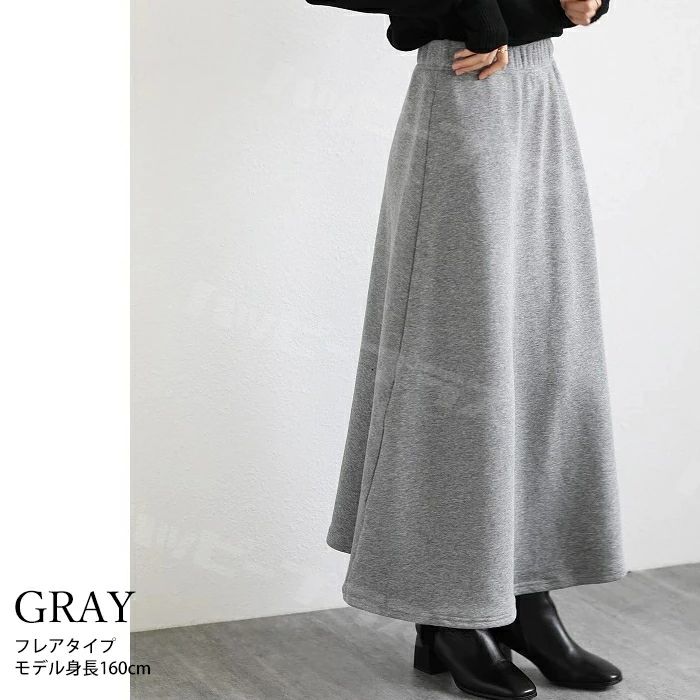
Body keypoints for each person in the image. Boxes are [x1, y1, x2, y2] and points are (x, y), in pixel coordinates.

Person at [307, 1, 626, 697]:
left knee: (546, 349)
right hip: (463, 85)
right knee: (457, 362)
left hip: (540, 87)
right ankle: (450, 606)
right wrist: (481, 12)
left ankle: (520, 596)